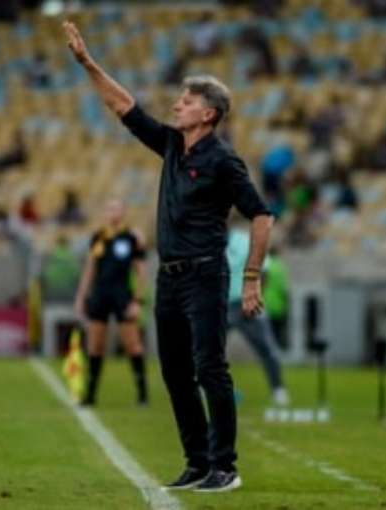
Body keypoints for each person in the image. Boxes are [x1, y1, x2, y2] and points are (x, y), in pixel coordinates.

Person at [65, 20, 273, 492]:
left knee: (210, 367)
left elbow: (261, 216)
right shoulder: (172, 147)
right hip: (170, 277)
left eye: (187, 101)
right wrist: (87, 62)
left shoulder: (223, 160)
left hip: (204, 275)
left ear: (209, 114)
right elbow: (122, 105)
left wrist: (252, 276)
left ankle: (226, 466)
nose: (177, 105)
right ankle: (198, 462)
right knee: (175, 371)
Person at [73, 199, 149, 407]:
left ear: (124, 212)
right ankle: (90, 394)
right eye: (108, 208)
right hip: (100, 295)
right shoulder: (98, 237)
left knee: (132, 344)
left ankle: (142, 393)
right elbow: (90, 270)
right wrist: (81, 297)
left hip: (123, 295)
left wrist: (138, 301)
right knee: (95, 345)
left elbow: (141, 272)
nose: (112, 212)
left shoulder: (132, 237)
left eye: (116, 208)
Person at [226, 217, 289, 407]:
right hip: (220, 305)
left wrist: (254, 296)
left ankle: (278, 390)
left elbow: (265, 269)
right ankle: (209, 390)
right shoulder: (207, 244)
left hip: (247, 303)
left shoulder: (244, 242)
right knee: (206, 351)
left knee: (267, 348)